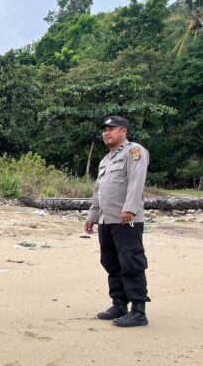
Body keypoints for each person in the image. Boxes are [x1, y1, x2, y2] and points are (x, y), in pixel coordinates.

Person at [85, 116, 150, 327]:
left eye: (111, 129)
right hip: (106, 220)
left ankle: (138, 310)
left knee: (131, 262)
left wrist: (130, 208)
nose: (106, 133)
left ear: (123, 130)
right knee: (111, 263)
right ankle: (119, 303)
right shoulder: (106, 160)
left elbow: (136, 181)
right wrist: (92, 216)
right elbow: (99, 190)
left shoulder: (134, 152)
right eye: (104, 129)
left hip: (126, 220)